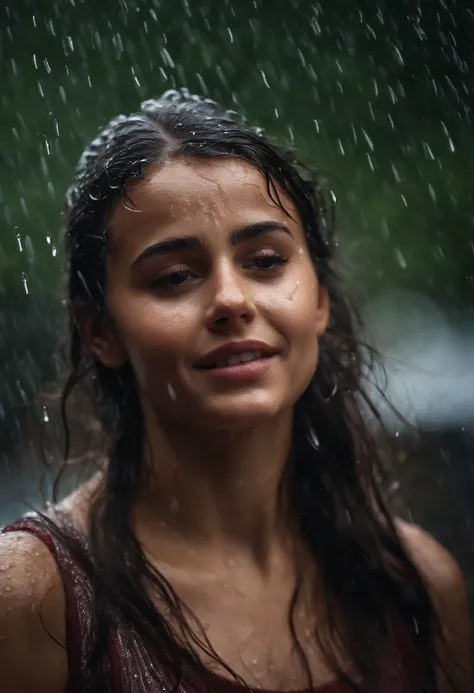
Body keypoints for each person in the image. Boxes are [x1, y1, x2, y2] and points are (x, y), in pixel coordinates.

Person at [0, 89, 470, 693]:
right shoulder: (36, 601)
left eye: (266, 261)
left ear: (319, 299)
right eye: (174, 277)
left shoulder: (418, 587)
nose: (231, 300)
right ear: (100, 330)